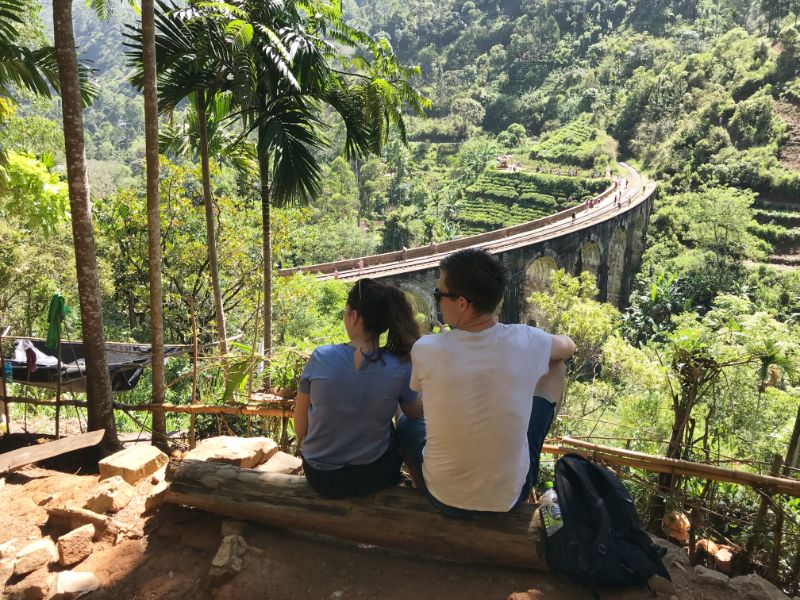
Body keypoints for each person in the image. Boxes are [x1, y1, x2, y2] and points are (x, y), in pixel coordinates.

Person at [397, 248, 575, 516]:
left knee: (407, 423)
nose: (437, 301)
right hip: (509, 498)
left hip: (442, 496)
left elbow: (424, 404)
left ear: (462, 303)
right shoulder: (528, 340)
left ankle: (420, 481)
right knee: (555, 363)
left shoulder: (426, 348)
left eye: (439, 295)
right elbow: (568, 347)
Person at [295, 278, 423, 499]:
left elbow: (300, 429)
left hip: (319, 476)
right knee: (400, 419)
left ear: (353, 316)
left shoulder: (320, 357)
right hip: (371, 478)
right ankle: (422, 491)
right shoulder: (400, 366)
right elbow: (414, 414)